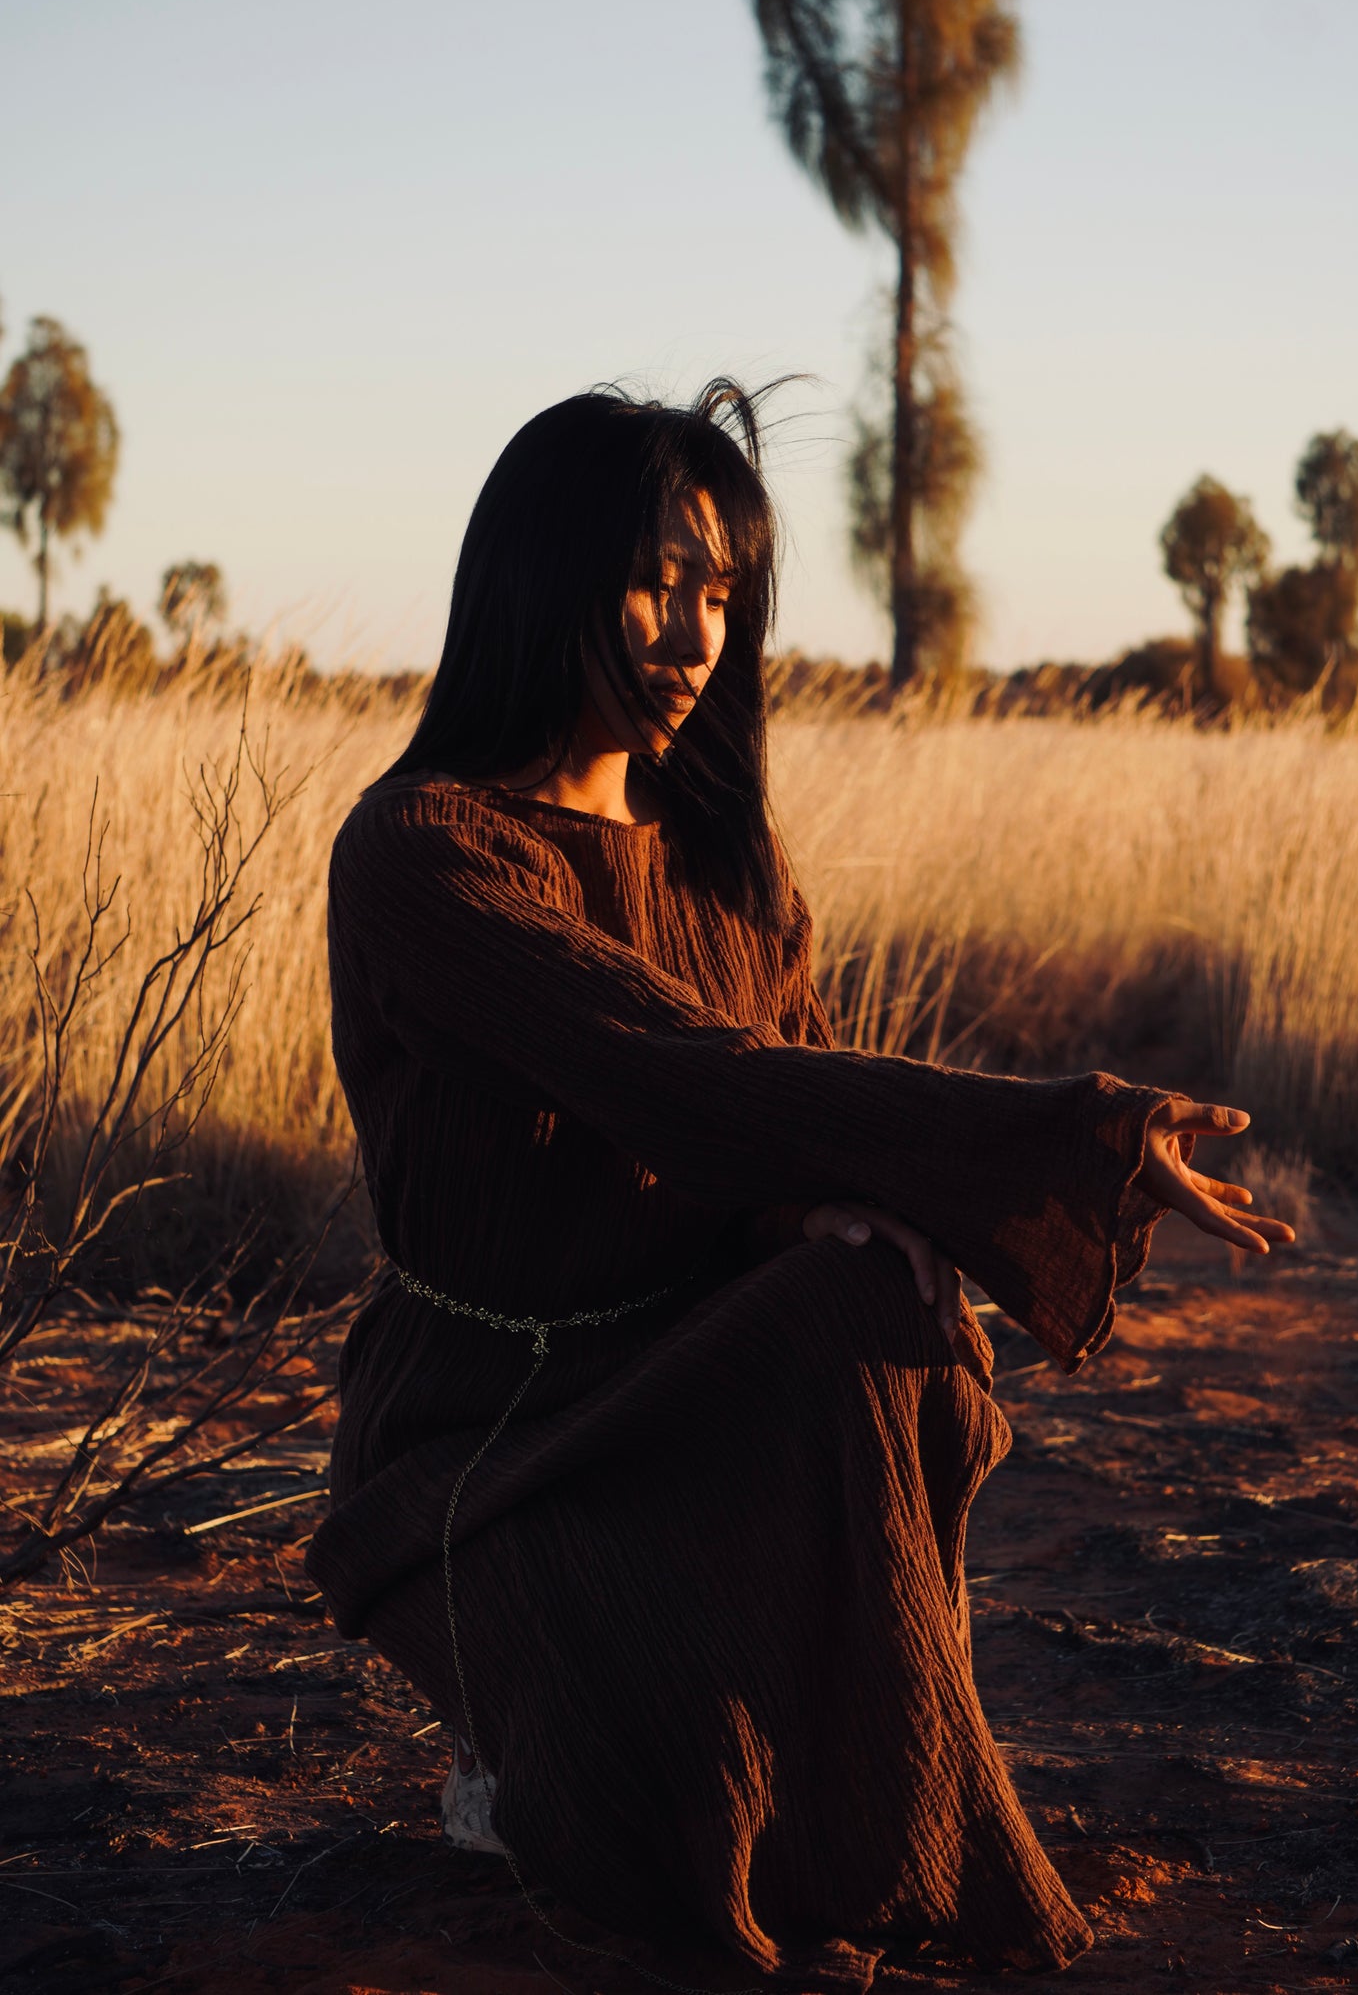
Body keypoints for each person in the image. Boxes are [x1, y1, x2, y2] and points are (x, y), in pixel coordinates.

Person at [306, 382, 1292, 1992]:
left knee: (873, 1294)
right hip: (498, 1417)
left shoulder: (723, 864)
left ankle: (866, 1811)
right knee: (636, 1850)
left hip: (694, 1370)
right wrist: (1073, 1131)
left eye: (719, 594)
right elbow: (678, 1075)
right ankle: (553, 1751)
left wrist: (823, 1214)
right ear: (533, 577)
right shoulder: (426, 851)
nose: (692, 636)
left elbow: (777, 1118)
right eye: (651, 581)